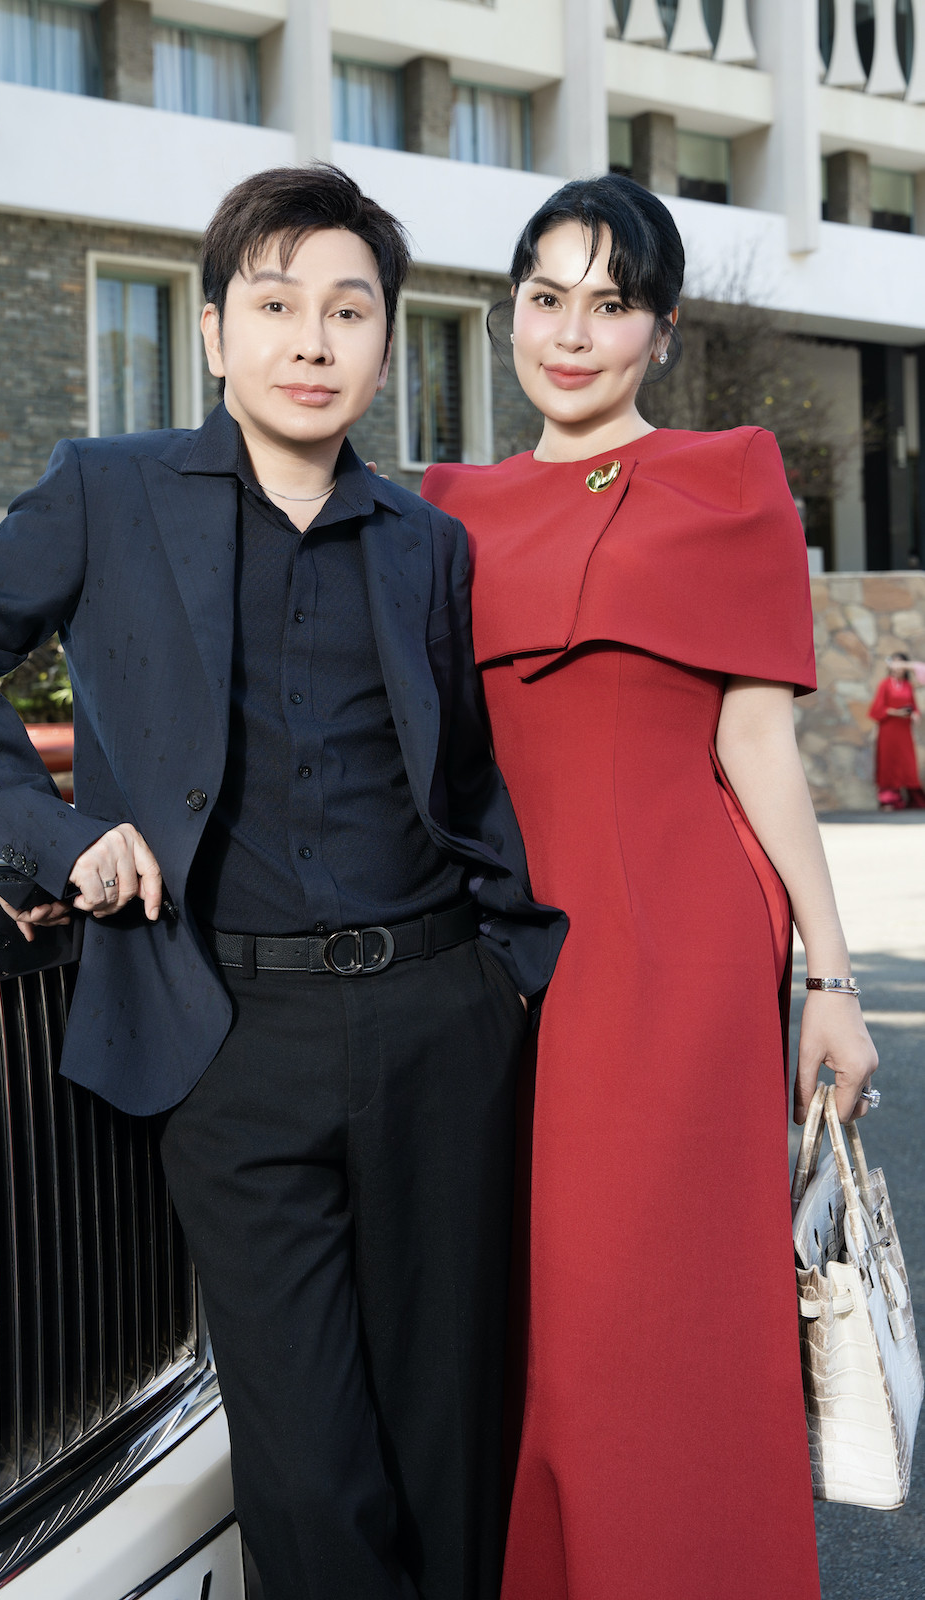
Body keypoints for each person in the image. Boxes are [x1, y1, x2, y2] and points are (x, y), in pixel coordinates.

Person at [0, 164, 565, 1600]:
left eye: (347, 311)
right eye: (274, 306)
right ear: (212, 332)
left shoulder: (427, 544)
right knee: (308, 1473)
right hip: (226, 1034)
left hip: (440, 1020)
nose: (311, 341)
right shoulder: (108, 490)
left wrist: (508, 981)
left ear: (384, 340)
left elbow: (462, 782)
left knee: (451, 1448)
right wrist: (59, 836)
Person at [423, 174, 879, 1600]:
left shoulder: (727, 475)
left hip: (670, 952)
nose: (571, 333)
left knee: (645, 1327)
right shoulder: (441, 509)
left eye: (609, 304)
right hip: (486, 962)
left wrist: (828, 976)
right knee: (527, 1333)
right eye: (545, 298)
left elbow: (755, 742)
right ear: (506, 315)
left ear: (660, 332)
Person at [869, 652, 925, 809]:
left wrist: (914, 714)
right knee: (889, 761)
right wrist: (896, 712)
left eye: (901, 664)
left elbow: (913, 706)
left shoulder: (908, 685)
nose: (898, 668)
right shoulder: (885, 684)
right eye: (895, 663)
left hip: (904, 730)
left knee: (907, 762)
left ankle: (913, 799)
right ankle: (889, 799)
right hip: (888, 730)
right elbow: (877, 709)